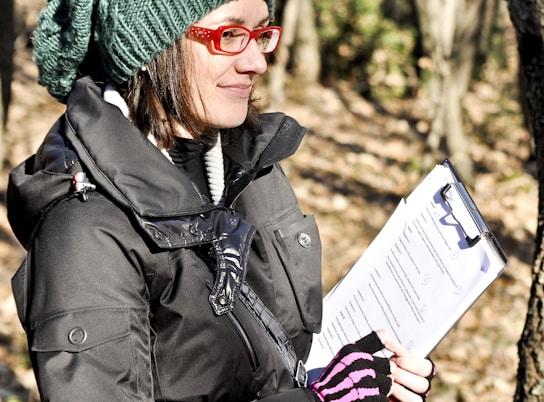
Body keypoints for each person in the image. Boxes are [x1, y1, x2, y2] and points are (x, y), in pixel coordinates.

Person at [7, 0, 436, 400]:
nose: (256, 61)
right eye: (229, 35)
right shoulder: (85, 233)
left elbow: (273, 365)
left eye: (261, 34)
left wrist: (347, 379)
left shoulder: (246, 170)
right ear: (151, 47)